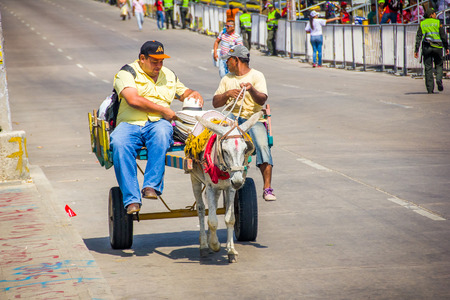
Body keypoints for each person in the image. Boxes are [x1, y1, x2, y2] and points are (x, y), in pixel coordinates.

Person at [110, 41, 204, 214]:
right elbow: (133, 100)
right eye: (154, 61)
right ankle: (131, 200)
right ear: (142, 59)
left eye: (161, 61)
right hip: (130, 123)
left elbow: (184, 93)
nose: (159, 66)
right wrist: (164, 110)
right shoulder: (126, 73)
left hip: (157, 123)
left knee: (162, 132)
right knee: (119, 143)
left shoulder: (168, 74)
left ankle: (151, 186)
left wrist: (193, 94)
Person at [212, 45, 276, 201]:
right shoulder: (227, 79)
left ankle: (267, 188)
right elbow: (215, 103)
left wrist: (250, 89)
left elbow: (262, 99)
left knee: (262, 145)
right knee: (214, 143)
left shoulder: (256, 76)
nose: (226, 64)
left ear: (237, 60)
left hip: (252, 120)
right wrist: (227, 94)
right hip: (231, 120)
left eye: (229, 60)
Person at [414, 8, 449, 93]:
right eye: (434, 14)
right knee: (439, 65)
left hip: (427, 48)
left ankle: (430, 89)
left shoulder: (422, 23)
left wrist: (416, 50)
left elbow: (418, 37)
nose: (435, 15)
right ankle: (438, 79)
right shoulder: (437, 23)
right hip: (438, 48)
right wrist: (446, 47)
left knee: (428, 68)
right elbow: (443, 36)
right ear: (431, 15)